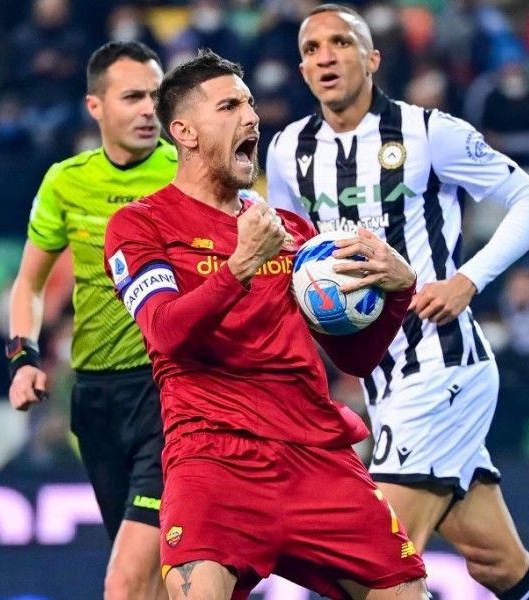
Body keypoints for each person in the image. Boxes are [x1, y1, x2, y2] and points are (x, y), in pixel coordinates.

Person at [266, 5, 529, 599]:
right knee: (498, 564)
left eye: (341, 43)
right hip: (385, 383)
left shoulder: (431, 132)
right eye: (312, 48)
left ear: (372, 58)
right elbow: (293, 258)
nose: (325, 56)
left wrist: (469, 280)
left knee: (373, 565)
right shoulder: (288, 152)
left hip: (443, 366)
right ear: (302, 68)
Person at [103, 49, 427, 600]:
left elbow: (353, 359)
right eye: (229, 106)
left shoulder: (295, 231)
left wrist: (398, 293)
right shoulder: (141, 226)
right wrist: (238, 268)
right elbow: (164, 332)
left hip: (317, 457)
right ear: (183, 131)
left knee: (407, 593)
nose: (251, 117)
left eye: (250, 104)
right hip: (213, 456)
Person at [6, 41, 176, 600]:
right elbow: (28, 285)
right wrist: (22, 358)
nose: (150, 109)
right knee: (156, 582)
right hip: (95, 399)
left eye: (157, 95)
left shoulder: (192, 174)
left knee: (126, 582)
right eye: (133, 97)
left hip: (169, 395)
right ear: (95, 106)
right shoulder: (65, 181)